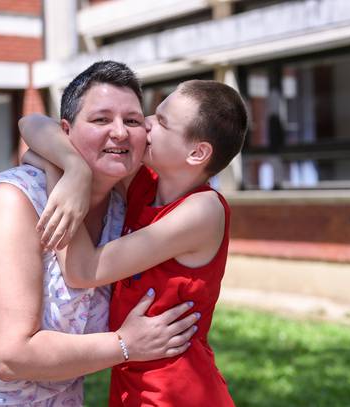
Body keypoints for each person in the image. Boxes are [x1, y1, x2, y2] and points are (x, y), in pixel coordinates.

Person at [0, 61, 199, 406]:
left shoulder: (127, 200)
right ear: (66, 132)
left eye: (132, 120)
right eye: (100, 119)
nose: (120, 132)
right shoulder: (14, 203)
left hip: (52, 398)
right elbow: (9, 355)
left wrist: (68, 166)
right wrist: (125, 344)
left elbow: (33, 126)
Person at [20, 78, 248, 406]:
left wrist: (56, 174)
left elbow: (82, 269)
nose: (146, 125)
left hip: (178, 391)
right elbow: (32, 123)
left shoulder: (203, 210)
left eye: (163, 123)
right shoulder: (144, 183)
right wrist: (74, 169)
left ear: (197, 153)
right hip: (133, 381)